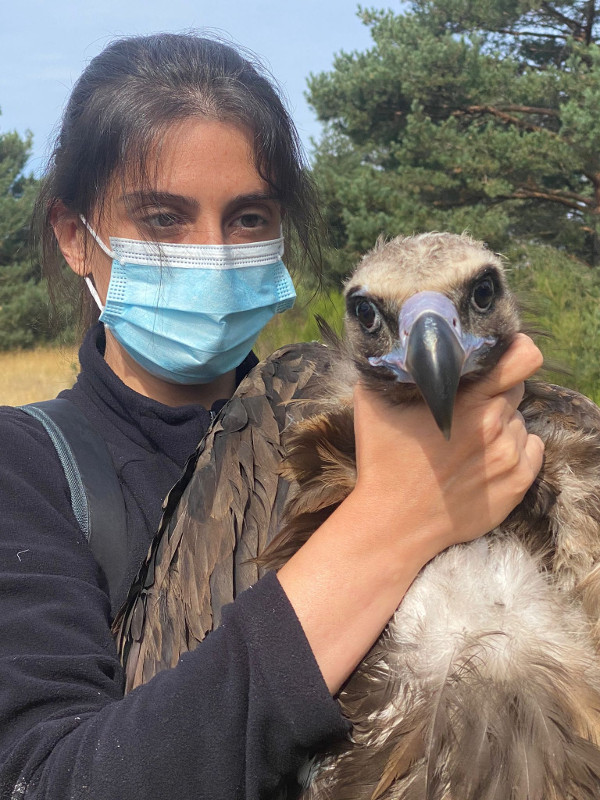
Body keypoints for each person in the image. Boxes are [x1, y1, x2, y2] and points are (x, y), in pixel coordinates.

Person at [0, 32, 544, 800]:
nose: (215, 253)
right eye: (162, 218)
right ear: (73, 237)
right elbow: (45, 781)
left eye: (250, 217)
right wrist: (393, 525)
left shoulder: (478, 431)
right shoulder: (23, 469)